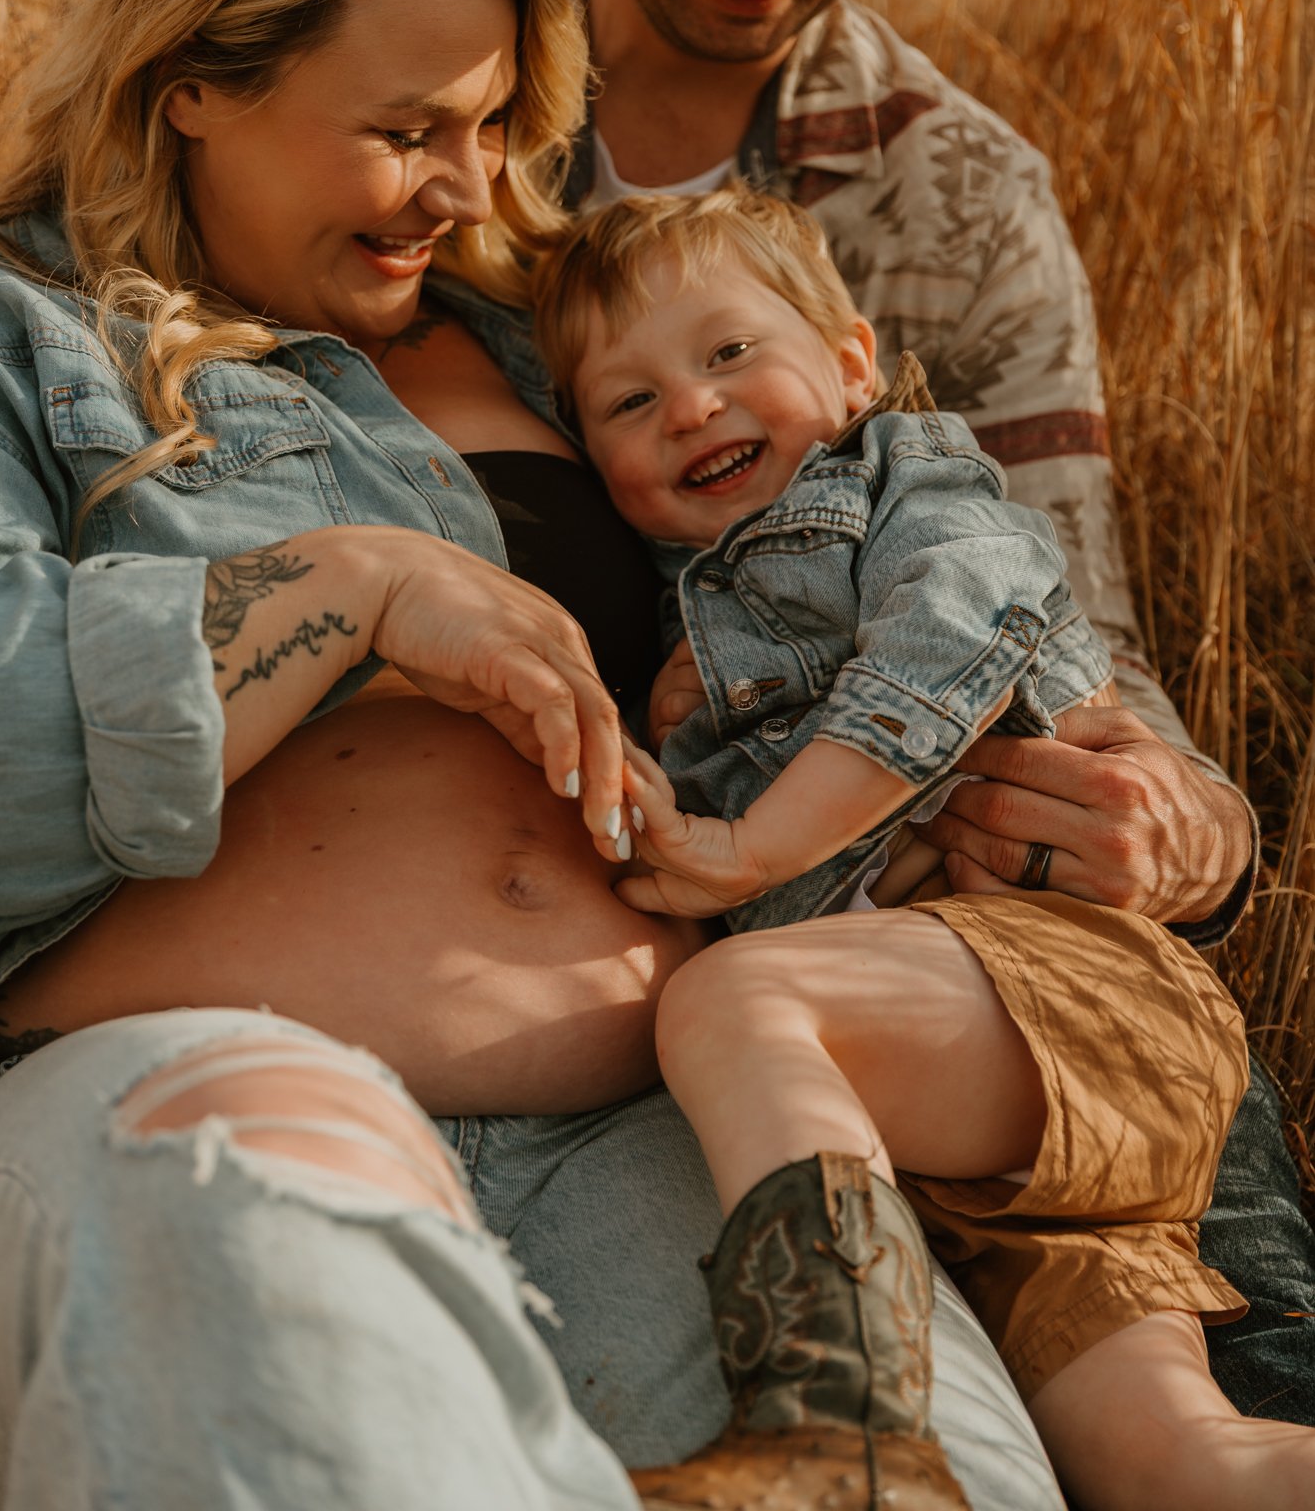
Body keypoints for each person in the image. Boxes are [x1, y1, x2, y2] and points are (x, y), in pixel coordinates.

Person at [0, 0, 1069, 1511]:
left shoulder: (562, 343)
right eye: (405, 132)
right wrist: (361, 585)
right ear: (194, 86)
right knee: (305, 1372)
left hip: (655, 1115)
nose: (465, 189)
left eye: (490, 127)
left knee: (910, 1478)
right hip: (183, 1085)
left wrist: (1129, 776)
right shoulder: (2, 338)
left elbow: (903, 540)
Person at [441, 0, 1315, 1414]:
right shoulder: (447, 156)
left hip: (990, 965)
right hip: (613, 974)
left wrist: (1182, 827)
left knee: (1248, 1398)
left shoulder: (958, 198)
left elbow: (1082, 646)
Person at [534, 183, 1315, 1511]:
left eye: (728, 353)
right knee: (1178, 1467)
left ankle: (839, 1417)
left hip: (1074, 993)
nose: (690, 405)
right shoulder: (682, 638)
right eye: (628, 400)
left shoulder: (906, 477)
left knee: (733, 1002)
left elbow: (956, 630)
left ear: (848, 365)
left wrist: (747, 844)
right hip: (994, 1145)